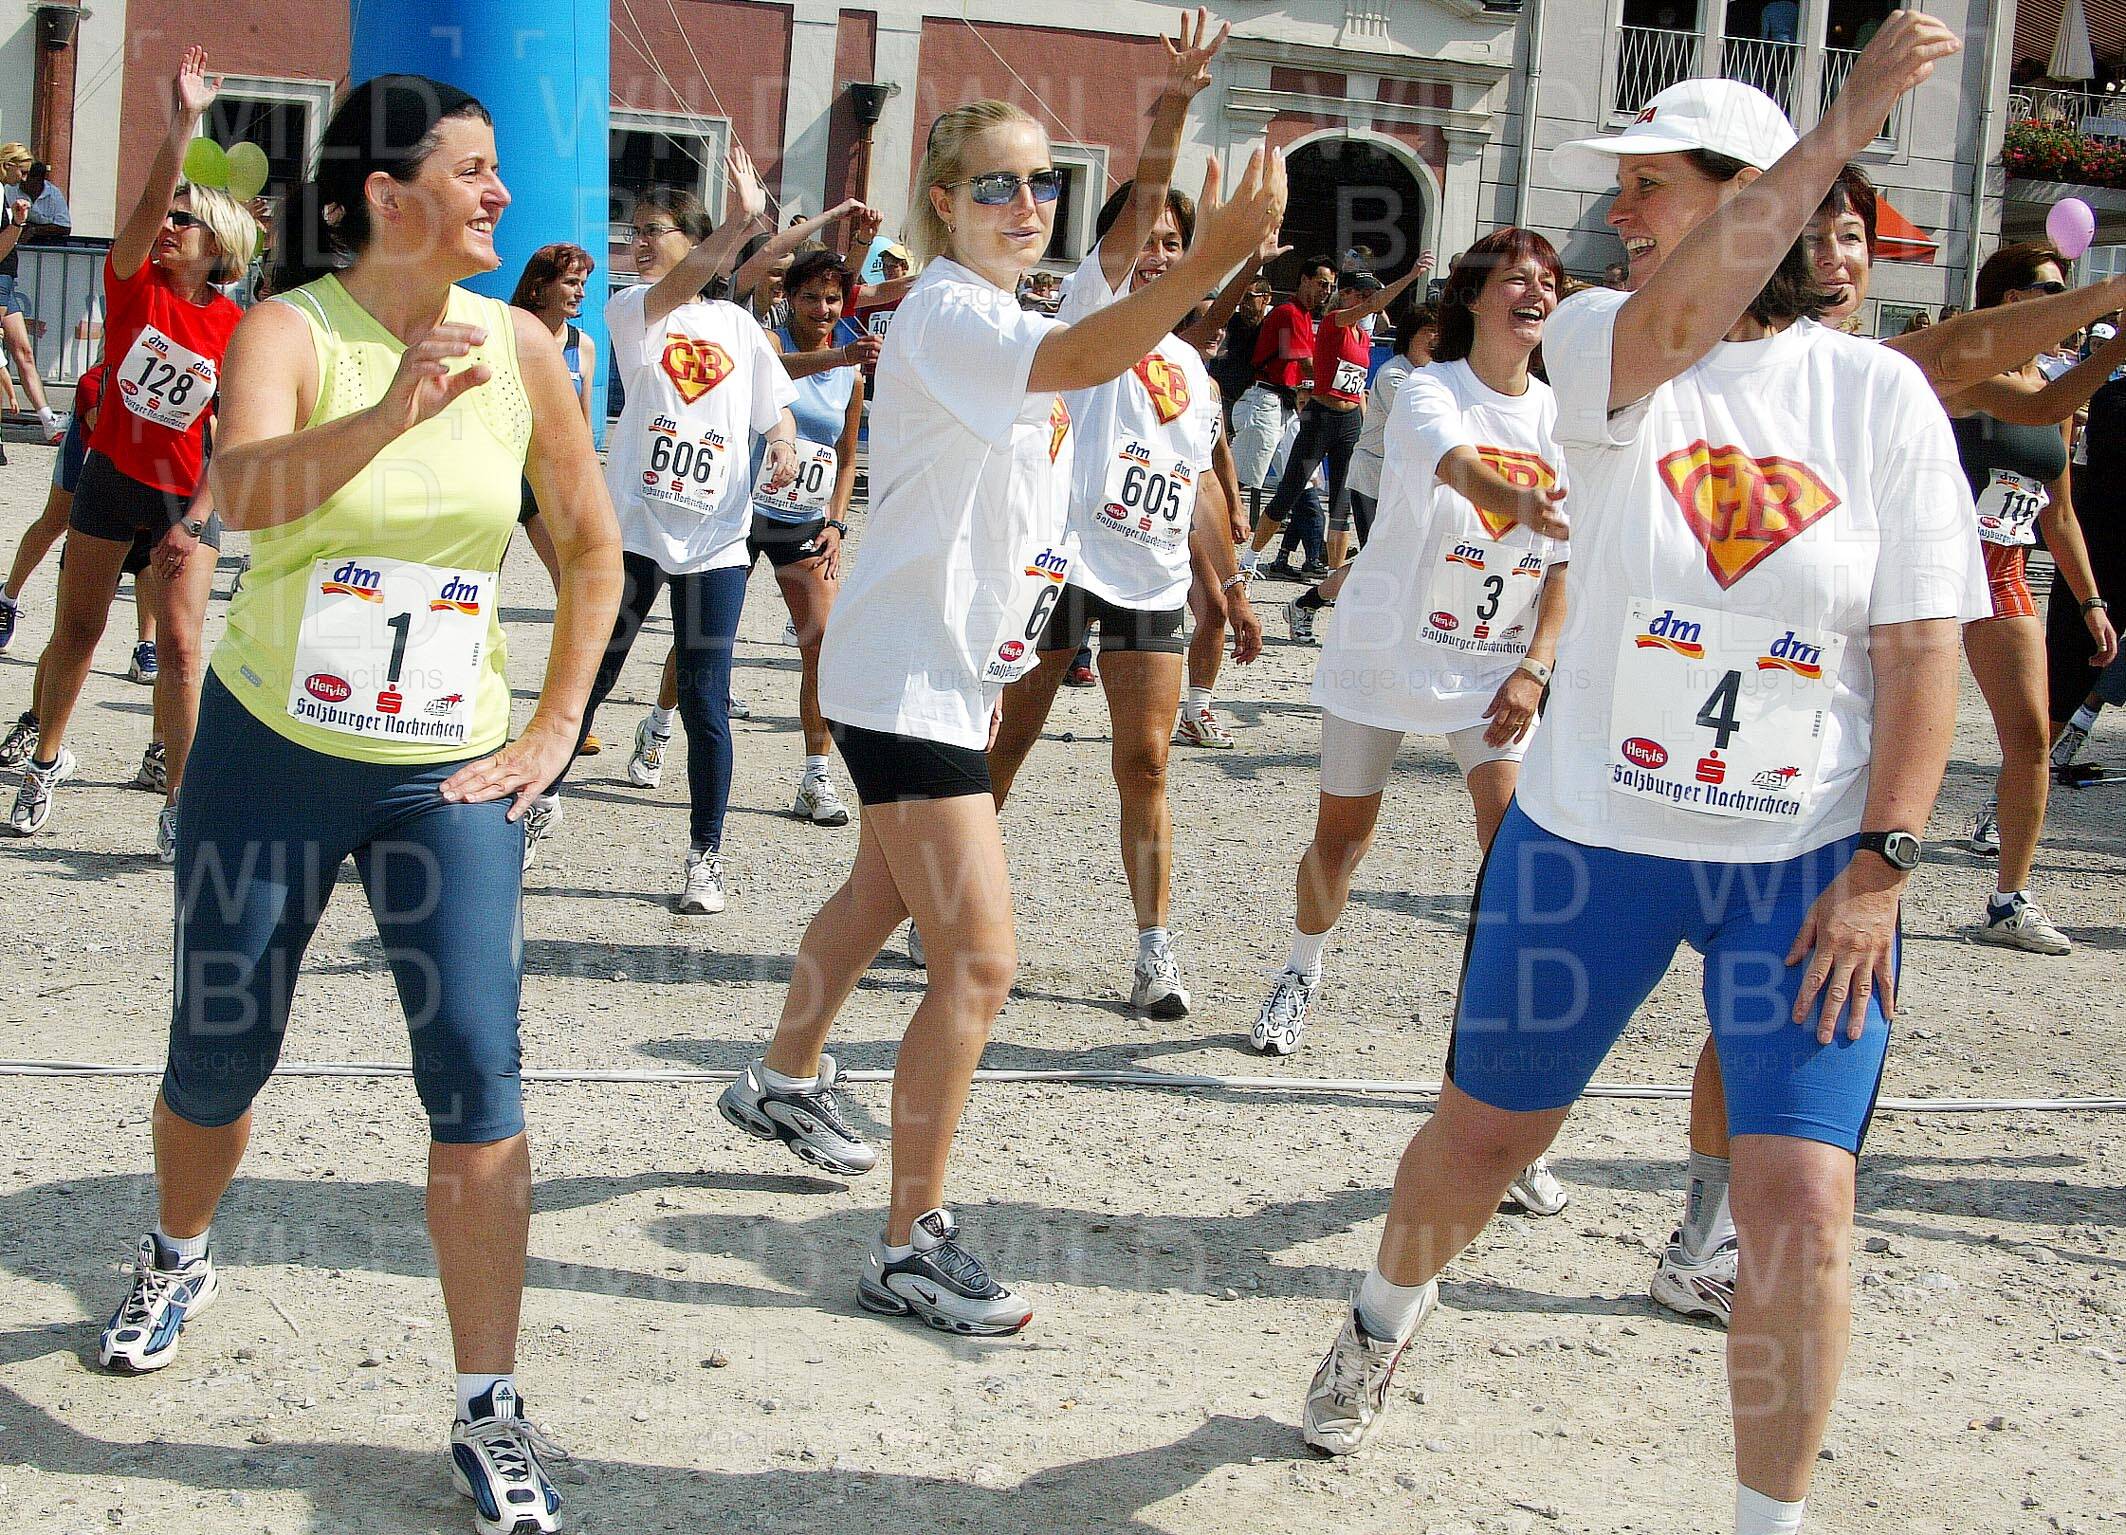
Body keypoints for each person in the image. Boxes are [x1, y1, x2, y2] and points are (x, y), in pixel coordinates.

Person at [1299, 33, 1978, 1535]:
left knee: (1801, 1200)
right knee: (1484, 1140)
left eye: (1652, 186)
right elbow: (1681, 314)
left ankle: (1764, 1523)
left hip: (1802, 863)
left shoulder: (1878, 398)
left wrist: (1881, 864)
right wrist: (1846, 111)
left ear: (1751, 200)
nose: (1618, 216)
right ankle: (1382, 1308)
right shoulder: (1606, 336)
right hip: (1588, 844)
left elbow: (1920, 646)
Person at [110, 63, 620, 1532]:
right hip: (272, 751)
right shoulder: (291, 329)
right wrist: (392, 411)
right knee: (220, 1050)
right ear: (386, 195)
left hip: (446, 768)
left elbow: (592, 549)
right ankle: (177, 1246)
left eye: (499, 167)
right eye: (471, 169)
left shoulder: (523, 347)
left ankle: (488, 1404)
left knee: (475, 1062)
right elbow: (244, 493)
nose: (500, 191)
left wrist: (556, 726)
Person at [718, 69, 1285, 1336]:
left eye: (1041, 184)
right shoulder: (947, 313)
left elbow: (1114, 270)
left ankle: (781, 1075)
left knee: (876, 895)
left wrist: (1161, 125)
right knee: (978, 961)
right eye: (996, 186)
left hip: (948, 671)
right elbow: (1090, 346)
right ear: (941, 202)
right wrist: (1218, 262)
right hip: (908, 677)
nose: (1026, 204)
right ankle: (909, 1245)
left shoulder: (1013, 303)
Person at [1651, 164, 2126, 1326]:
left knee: (1785, 1001)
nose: (1836, 257)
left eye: (1854, 236)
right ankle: (1686, 1220)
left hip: (1856, 734)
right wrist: (2107, 294)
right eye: (1814, 235)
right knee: (1747, 1004)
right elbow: (1958, 348)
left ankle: (1714, 1232)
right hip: (1749, 724)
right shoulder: (1821, 365)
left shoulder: (1881, 373)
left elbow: (2012, 385)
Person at [1255, 230, 1572, 1219]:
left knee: (1514, 858)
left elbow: (1566, 565)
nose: (1535, 292)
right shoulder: (1429, 389)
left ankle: (1499, 1099)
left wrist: (1536, 664)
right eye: (1516, 278)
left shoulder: (1558, 411)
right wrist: (1514, 499)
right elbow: (1455, 468)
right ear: (1474, 297)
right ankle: (1300, 967)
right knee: (1342, 837)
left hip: (1492, 667)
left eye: (1548, 281)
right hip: (1387, 647)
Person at [986, 11, 1231, 1019]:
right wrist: (1173, 111)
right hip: (1060, 570)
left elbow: (1196, 486)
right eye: (1150, 242)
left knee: (1146, 762)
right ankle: (937, 903)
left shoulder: (1193, 371)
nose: (1160, 256)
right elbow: (1135, 220)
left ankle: (1152, 949)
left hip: (1150, 581)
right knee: (1008, 741)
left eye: (1178, 246)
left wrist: (1228, 587)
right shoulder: (1088, 310)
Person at [2, 58, 258, 852]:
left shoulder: (238, 329)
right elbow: (149, 200)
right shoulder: (133, 283)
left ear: (220, 249)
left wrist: (197, 520)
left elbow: (235, 437)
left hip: (184, 498)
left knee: (180, 649)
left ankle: (181, 799)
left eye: (189, 223)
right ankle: (45, 760)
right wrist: (184, 121)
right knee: (77, 631)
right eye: (170, 217)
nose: (171, 227)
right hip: (111, 477)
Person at [536, 151, 799, 905]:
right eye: (636, 232)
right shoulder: (634, 309)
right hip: (634, 532)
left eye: (655, 231)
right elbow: (681, 285)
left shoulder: (741, 328)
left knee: (707, 703)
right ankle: (537, 805)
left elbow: (773, 410)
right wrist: (740, 224)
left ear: (690, 237)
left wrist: (782, 444)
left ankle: (704, 855)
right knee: (592, 675)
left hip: (717, 542)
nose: (640, 242)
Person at [1939, 243, 2122, 953]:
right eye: (2054, 290)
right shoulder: (1963, 366)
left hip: (2004, 568)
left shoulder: (2056, 387)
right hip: (1932, 567)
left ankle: (2009, 900)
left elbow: (2060, 513)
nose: (2068, 302)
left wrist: (2091, 602)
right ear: (2012, 300)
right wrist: (2116, 346)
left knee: (2031, 737)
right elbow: (2040, 405)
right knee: (1885, 725)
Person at [741, 243, 866, 827]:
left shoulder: (851, 373)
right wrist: (839, 355)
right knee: (706, 639)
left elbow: (847, 457)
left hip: (804, 521)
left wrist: (837, 523)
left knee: (824, 643)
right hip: (745, 513)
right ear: (788, 298)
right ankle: (659, 724)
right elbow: (775, 375)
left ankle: (816, 778)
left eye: (833, 299)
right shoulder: (770, 345)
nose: (822, 308)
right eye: (810, 297)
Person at [1246, 257, 1432, 577]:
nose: (1367, 301)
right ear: (1345, 294)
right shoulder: (1335, 321)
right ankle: (1249, 558)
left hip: (1349, 421)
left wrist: (1367, 426)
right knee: (1289, 490)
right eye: (1360, 294)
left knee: (1341, 506)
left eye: (1368, 295)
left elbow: (1357, 385)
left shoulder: (1362, 337)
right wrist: (1412, 275)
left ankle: (1332, 578)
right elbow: (1373, 305)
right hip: (1321, 417)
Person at [1287, 302, 1439, 642]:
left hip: (1411, 484)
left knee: (1402, 559)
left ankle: (1311, 604)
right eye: (1429, 331)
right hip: (1374, 478)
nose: (1436, 339)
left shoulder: (1436, 377)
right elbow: (1421, 427)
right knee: (1379, 560)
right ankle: (1312, 606)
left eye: (1440, 332)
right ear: (1410, 335)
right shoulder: (1395, 376)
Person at [509, 242, 599, 589]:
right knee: (483, 575)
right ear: (539, 286)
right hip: (505, 468)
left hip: (549, 477)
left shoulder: (582, 345)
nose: (580, 293)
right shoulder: (507, 334)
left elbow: (583, 425)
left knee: (570, 575)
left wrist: (588, 483)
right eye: (571, 282)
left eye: (583, 284)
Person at [1230, 254, 1332, 535]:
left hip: (1282, 402)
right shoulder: (1289, 313)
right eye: (1322, 283)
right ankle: (1206, 529)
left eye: (1329, 286)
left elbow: (1299, 363)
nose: (1326, 291)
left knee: (1300, 477)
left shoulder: (1301, 315)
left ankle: (1311, 547)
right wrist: (1338, 387)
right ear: (1305, 280)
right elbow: (1303, 362)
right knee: (1240, 477)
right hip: (1265, 401)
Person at [0, 144, 62, 442]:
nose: (24, 178)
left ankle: (48, 420)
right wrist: (17, 222)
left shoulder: (5, 191)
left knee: (23, 351)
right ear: (8, 165)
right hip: (1, 276)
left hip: (6, 279)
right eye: (22, 171)